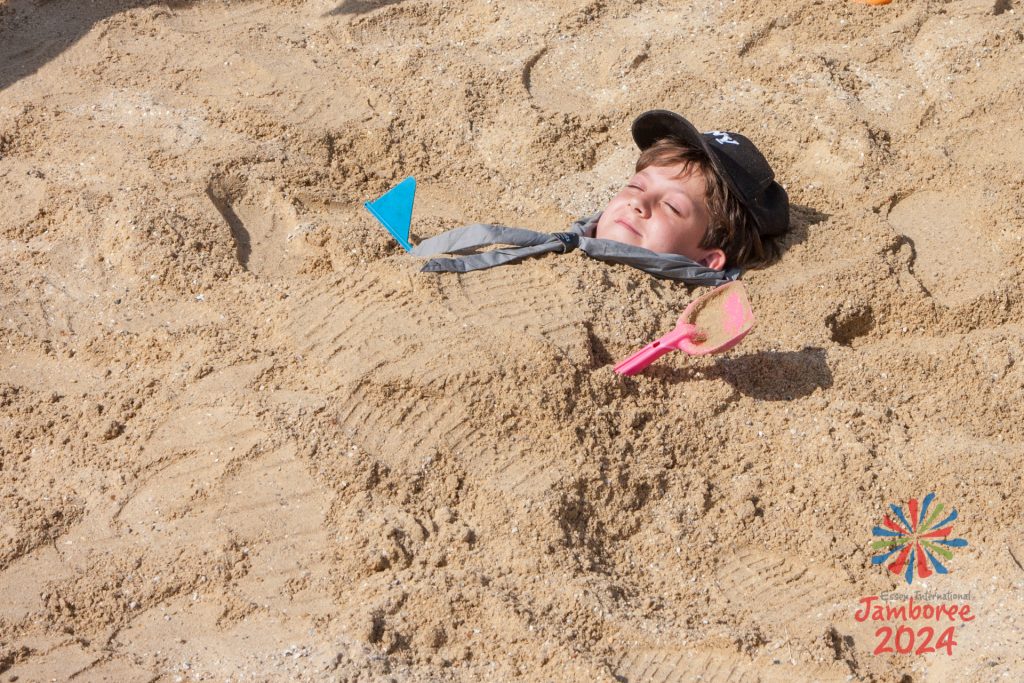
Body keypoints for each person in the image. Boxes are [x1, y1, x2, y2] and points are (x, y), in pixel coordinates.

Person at [411, 110, 790, 287]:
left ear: (707, 259)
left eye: (672, 207)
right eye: (636, 187)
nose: (639, 204)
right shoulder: (565, 244)